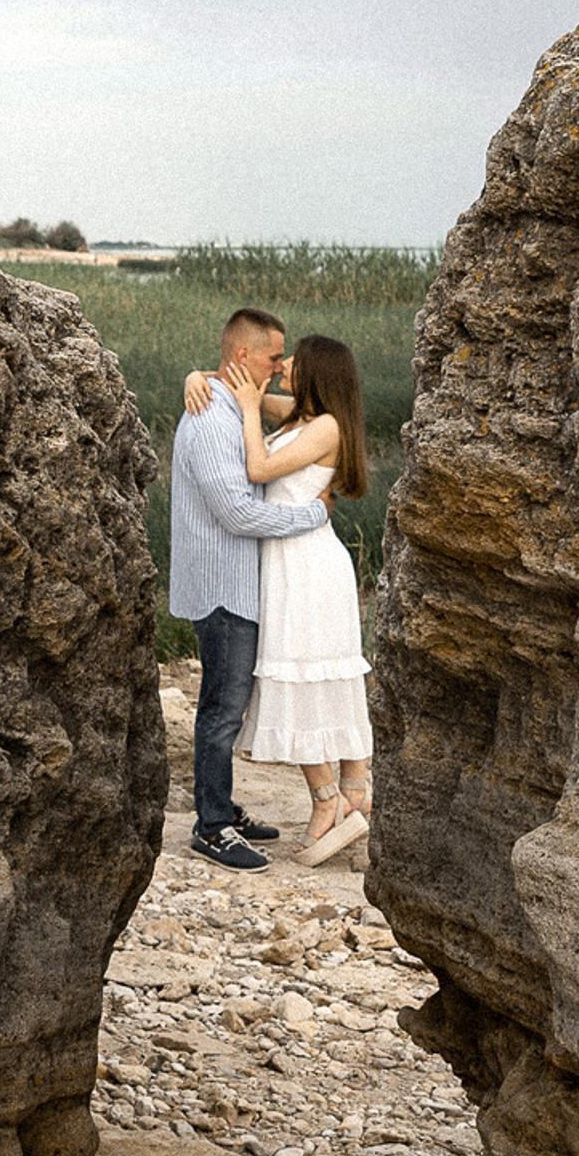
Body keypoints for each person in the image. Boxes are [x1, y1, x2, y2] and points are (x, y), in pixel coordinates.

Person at [197, 333, 374, 865]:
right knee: (311, 678)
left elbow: (258, 469)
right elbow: (229, 387)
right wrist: (195, 379)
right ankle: (350, 794)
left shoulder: (326, 427)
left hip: (307, 565)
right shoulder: (303, 416)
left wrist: (251, 410)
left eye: (294, 359)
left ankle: (331, 801)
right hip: (290, 561)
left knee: (304, 678)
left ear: (317, 372)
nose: (284, 364)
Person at [170, 306, 332, 871]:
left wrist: (200, 374)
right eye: (273, 357)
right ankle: (212, 827)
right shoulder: (209, 419)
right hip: (223, 587)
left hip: (241, 583)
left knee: (230, 705)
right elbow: (237, 513)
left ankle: (222, 807)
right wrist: (314, 515)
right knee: (221, 709)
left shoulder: (229, 404)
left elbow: (306, 416)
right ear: (244, 356)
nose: (281, 366)